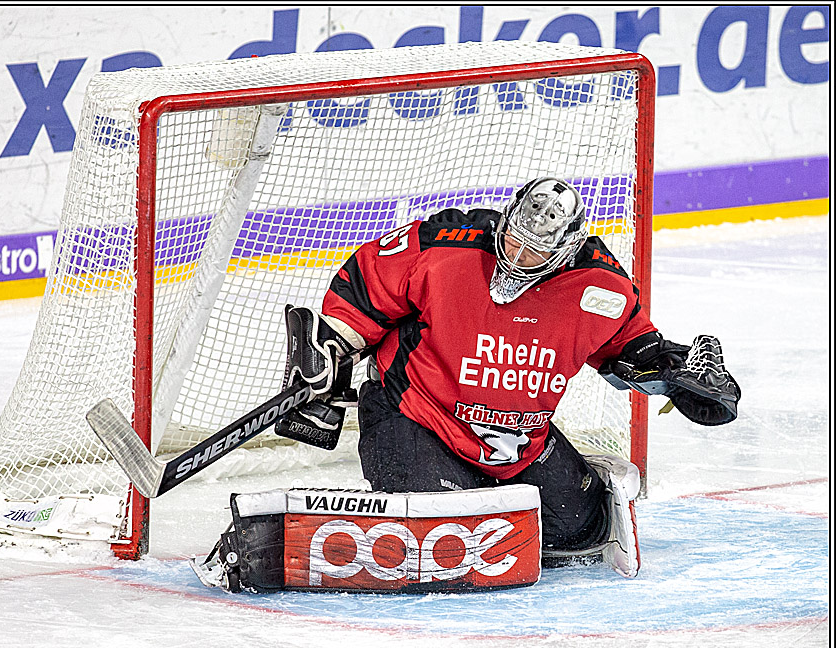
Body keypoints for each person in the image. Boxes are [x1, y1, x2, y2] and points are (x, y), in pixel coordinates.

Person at [277, 176, 741, 573]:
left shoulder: (601, 286)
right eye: (513, 239)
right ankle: (443, 491)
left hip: (517, 443)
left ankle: (498, 488)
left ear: (567, 250)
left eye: (534, 252)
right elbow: (364, 287)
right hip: (418, 417)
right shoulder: (443, 244)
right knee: (448, 538)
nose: (516, 257)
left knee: (578, 535)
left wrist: (677, 375)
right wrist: (333, 346)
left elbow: (631, 349)